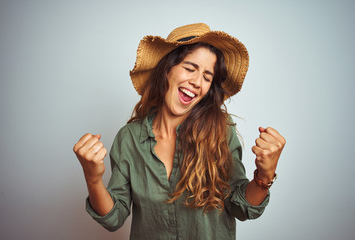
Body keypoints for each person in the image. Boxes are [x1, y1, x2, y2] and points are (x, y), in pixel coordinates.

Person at [73, 23, 286, 240]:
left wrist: (264, 176)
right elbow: (114, 218)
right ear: (167, 69)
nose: (196, 82)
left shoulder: (221, 131)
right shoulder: (129, 138)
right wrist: (93, 179)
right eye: (190, 68)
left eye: (207, 76)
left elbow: (241, 208)